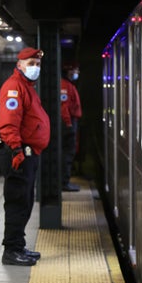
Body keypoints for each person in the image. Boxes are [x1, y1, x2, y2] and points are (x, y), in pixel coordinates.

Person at [0, 47, 51, 266]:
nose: (35, 67)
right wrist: (16, 150)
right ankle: (11, 250)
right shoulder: (14, 88)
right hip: (18, 153)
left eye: (37, 64)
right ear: (19, 65)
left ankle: (18, 245)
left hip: (27, 153)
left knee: (25, 201)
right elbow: (9, 122)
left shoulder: (27, 87)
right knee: (17, 202)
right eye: (30, 63)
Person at [60, 62, 83, 192]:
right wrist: (68, 124)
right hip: (68, 124)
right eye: (75, 71)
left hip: (70, 122)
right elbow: (64, 107)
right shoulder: (64, 85)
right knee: (67, 153)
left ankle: (65, 181)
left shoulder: (68, 84)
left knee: (69, 153)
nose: (77, 73)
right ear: (68, 72)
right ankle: (64, 182)